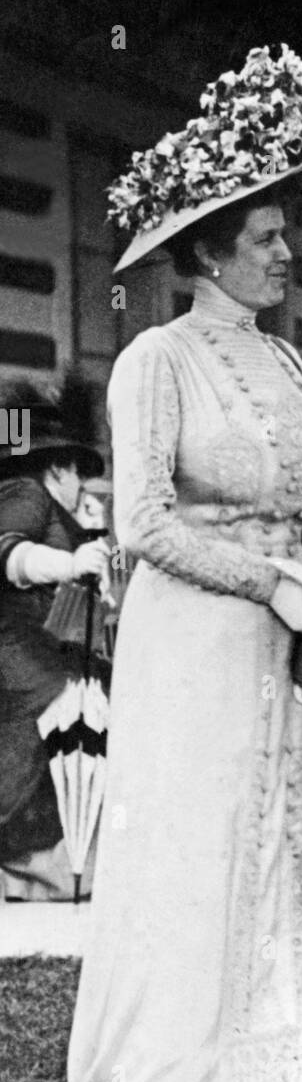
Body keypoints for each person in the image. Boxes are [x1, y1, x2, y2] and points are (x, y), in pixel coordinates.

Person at [68, 46, 302, 1082]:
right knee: (197, 848)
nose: (287, 253)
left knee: (278, 837)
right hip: (193, 642)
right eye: (268, 239)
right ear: (208, 252)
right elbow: (141, 524)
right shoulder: (157, 359)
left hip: (288, 641)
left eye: (285, 235)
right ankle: (174, 1075)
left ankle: (274, 1053)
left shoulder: (287, 358)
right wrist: (266, 582)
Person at [0, 383, 109, 900]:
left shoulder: (33, 496)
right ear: (58, 467)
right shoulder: (26, 493)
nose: (82, 486)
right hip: (19, 656)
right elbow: (8, 553)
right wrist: (70, 563)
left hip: (32, 652)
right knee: (61, 717)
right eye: (78, 474)